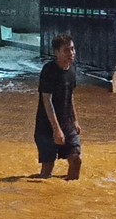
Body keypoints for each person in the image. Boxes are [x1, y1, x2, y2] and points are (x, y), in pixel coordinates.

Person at [34, 34, 82, 180]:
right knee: (47, 169)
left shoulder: (72, 69)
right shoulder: (49, 70)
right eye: (66, 50)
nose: (71, 53)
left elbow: (70, 96)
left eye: (72, 49)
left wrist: (75, 121)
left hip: (67, 123)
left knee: (76, 160)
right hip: (46, 127)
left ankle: (69, 195)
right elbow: (46, 100)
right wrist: (56, 130)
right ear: (56, 53)